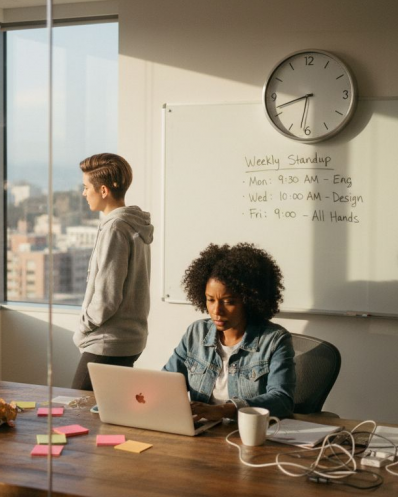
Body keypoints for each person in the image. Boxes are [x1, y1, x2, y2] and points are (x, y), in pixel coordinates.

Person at [163, 243, 295, 420]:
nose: (216, 310)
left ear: (249, 300)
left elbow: (282, 400)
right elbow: (166, 383)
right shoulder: (196, 332)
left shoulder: (274, 340)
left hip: (247, 434)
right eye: (210, 300)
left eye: (228, 302)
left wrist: (225, 411)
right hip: (202, 432)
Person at [72, 153, 154, 391]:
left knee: (78, 407)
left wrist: (83, 328)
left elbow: (107, 298)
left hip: (108, 342)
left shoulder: (116, 228)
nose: (84, 193)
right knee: (107, 412)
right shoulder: (133, 225)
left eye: (87, 187)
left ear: (104, 190)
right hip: (129, 339)